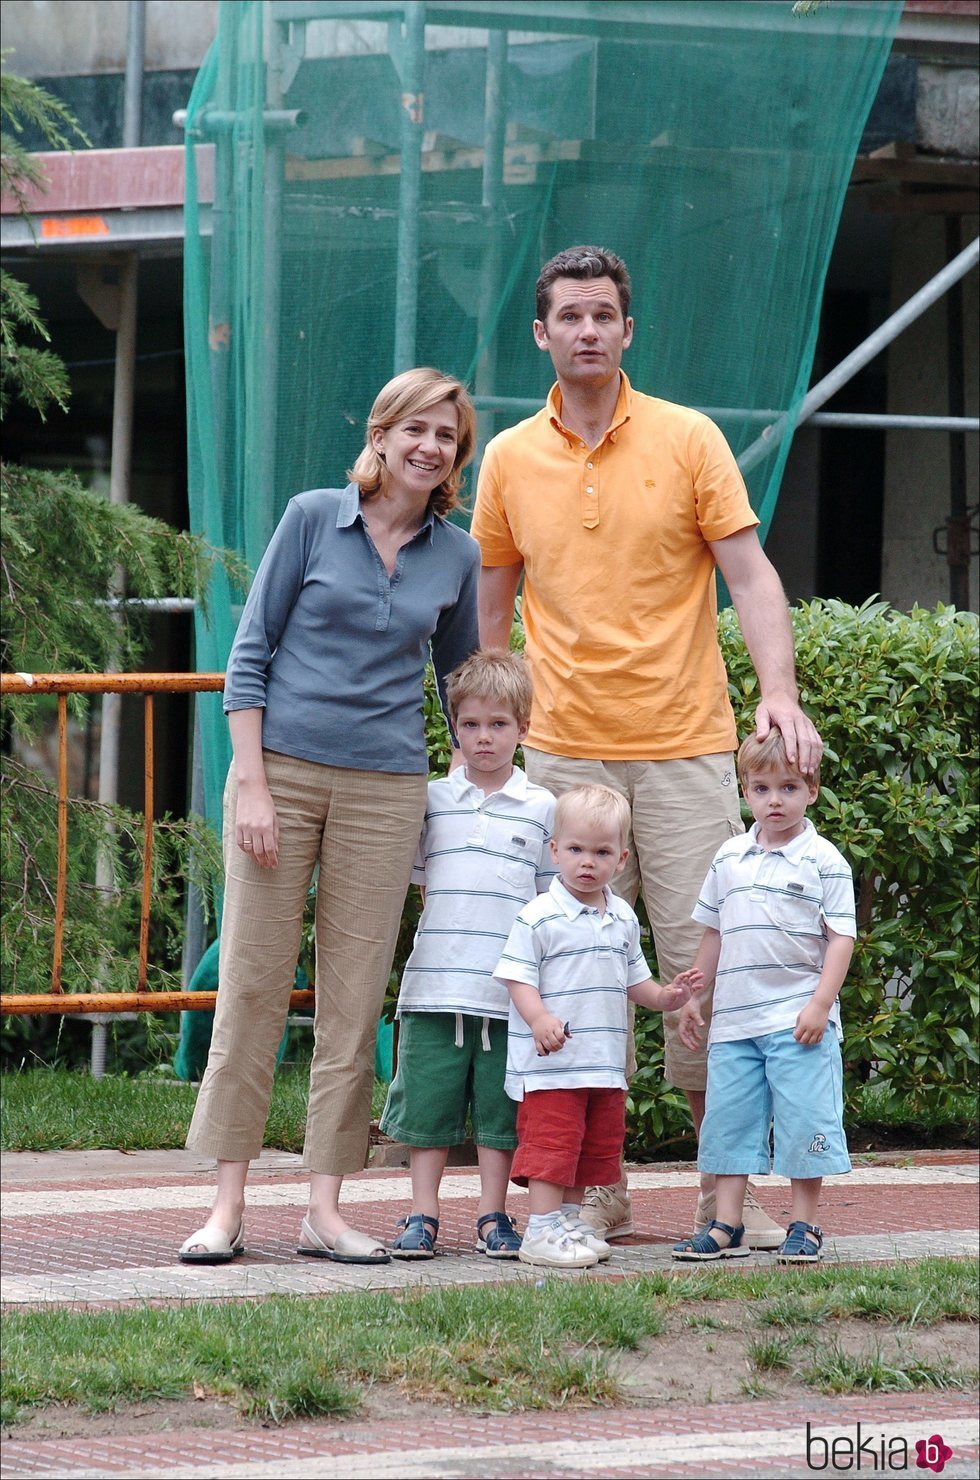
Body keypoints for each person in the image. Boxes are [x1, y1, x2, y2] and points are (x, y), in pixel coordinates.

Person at [471, 243, 821, 1247]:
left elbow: (748, 577)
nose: (586, 330)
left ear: (628, 330)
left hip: (681, 748)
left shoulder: (688, 438)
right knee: (576, 984)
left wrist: (777, 694)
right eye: (568, 316)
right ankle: (592, 1189)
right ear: (540, 333)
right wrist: (494, 735)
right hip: (561, 759)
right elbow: (492, 603)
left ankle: (725, 1192)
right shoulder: (506, 458)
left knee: (709, 967)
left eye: (603, 315)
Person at [178, 367, 480, 1266]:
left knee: (353, 1004)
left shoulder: (456, 555)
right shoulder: (314, 516)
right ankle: (226, 1208)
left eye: (448, 438)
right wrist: (254, 784)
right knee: (253, 986)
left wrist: (481, 787)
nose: (430, 447)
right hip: (283, 777)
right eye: (416, 429)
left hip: (387, 790)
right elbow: (250, 654)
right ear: (381, 434)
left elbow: (461, 688)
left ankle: (324, 1208)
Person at [379, 648, 556, 1260]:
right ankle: (422, 1214)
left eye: (500, 724)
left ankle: (493, 1214)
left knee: (499, 1111)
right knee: (426, 1104)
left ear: (524, 729)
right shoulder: (430, 800)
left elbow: (544, 903)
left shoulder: (542, 810)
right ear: (455, 727)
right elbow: (417, 876)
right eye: (472, 725)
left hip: (507, 995)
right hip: (434, 985)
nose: (484, 738)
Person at [495, 784, 702, 1268]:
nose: (587, 862)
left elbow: (638, 983)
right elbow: (516, 977)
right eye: (575, 849)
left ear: (622, 859)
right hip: (552, 1065)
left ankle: (568, 1221)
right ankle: (541, 1228)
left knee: (588, 1148)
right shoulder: (539, 916)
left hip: (603, 1064)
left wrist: (668, 998)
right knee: (552, 1144)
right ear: (555, 851)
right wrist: (540, 1018)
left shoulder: (623, 918)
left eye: (601, 852)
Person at [672, 730, 855, 1263]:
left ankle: (805, 1224)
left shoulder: (824, 861)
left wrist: (820, 1004)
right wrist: (692, 999)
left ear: (812, 791)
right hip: (734, 1024)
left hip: (797, 1018)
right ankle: (726, 1224)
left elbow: (840, 938)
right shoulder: (729, 857)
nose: (774, 800)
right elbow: (714, 932)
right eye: (761, 788)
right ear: (745, 793)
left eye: (789, 787)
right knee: (727, 1123)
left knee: (804, 1121)